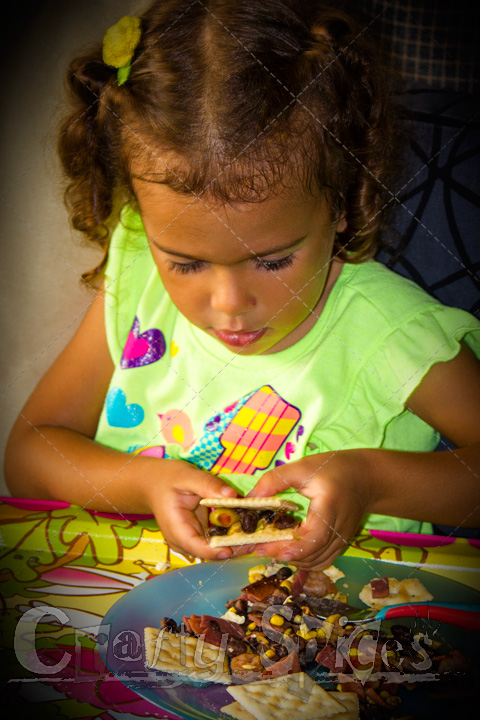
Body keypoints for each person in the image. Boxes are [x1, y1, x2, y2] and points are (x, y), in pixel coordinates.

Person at [4, 1, 480, 570]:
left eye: (273, 261)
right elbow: (31, 453)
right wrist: (146, 484)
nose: (229, 306)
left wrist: (372, 481)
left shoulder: (392, 332)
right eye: (184, 263)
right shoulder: (136, 275)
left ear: (344, 202)